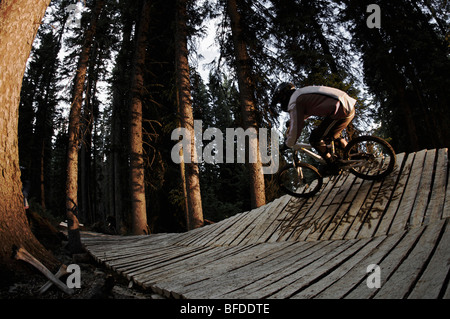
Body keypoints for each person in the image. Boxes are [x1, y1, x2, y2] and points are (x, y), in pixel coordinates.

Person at [272, 82, 356, 173]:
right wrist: (291, 121)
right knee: (331, 136)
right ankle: (356, 156)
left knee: (315, 139)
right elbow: (305, 112)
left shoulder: (294, 101)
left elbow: (296, 129)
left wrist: (287, 144)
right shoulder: (300, 94)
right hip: (345, 105)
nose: (281, 105)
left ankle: (332, 164)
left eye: (280, 102)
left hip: (340, 111)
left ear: (284, 97)